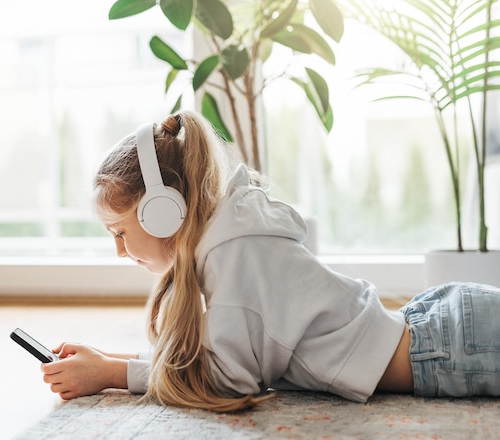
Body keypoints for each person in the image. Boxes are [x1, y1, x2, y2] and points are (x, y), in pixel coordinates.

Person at [41, 111, 500, 412]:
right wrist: (106, 360)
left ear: (163, 212)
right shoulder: (231, 236)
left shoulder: (232, 254)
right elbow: (208, 358)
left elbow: (225, 380)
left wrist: (113, 375)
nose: (120, 251)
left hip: (450, 350)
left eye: (120, 233)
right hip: (441, 329)